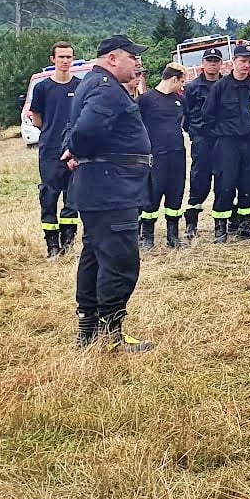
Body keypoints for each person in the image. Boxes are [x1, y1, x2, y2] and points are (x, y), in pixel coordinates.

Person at [65, 35, 155, 353]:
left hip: (101, 188)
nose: (137, 63)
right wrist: (76, 149)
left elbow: (73, 126)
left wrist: (73, 148)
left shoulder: (92, 83)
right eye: (133, 57)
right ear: (114, 58)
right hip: (111, 189)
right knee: (120, 262)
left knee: (95, 256)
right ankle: (110, 335)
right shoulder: (106, 89)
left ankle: (89, 331)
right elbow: (86, 131)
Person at [200, 44, 250, 242]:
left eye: (249, 61)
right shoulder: (220, 87)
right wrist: (220, 135)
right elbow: (207, 115)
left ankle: (246, 224)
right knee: (225, 184)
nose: (246, 65)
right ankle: (221, 228)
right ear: (233, 62)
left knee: (249, 183)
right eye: (242, 61)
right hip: (226, 143)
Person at [28, 41, 82, 259]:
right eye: (61, 57)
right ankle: (52, 245)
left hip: (75, 149)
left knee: (73, 197)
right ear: (53, 59)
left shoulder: (80, 86)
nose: (65, 61)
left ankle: (67, 243)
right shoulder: (42, 88)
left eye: (69, 57)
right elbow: (37, 120)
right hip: (50, 150)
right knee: (49, 196)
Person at [136, 64, 187, 250]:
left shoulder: (180, 100)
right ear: (173, 79)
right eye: (181, 82)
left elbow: (187, 123)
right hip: (155, 156)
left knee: (176, 194)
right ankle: (147, 236)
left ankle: (173, 236)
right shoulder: (146, 100)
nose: (182, 86)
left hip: (177, 154)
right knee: (151, 196)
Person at [180, 48, 225, 238]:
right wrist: (195, 134)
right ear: (203, 63)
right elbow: (186, 115)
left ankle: (221, 225)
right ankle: (192, 224)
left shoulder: (226, 84)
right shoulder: (192, 87)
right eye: (209, 61)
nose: (213, 64)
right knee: (199, 180)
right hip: (202, 140)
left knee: (223, 181)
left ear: (221, 63)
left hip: (223, 139)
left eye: (216, 61)